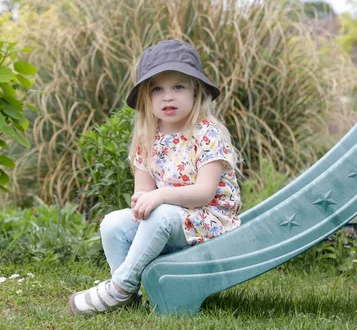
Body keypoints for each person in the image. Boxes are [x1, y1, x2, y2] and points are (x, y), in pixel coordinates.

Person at [68, 40, 242, 315]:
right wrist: (143, 199)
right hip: (170, 221)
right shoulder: (149, 137)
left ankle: (120, 287)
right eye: (157, 89)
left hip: (209, 221)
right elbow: (143, 192)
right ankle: (130, 297)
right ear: (146, 99)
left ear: (196, 91)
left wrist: (158, 196)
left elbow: (205, 192)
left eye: (178, 87)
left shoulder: (207, 133)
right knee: (112, 223)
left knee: (160, 214)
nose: (167, 97)